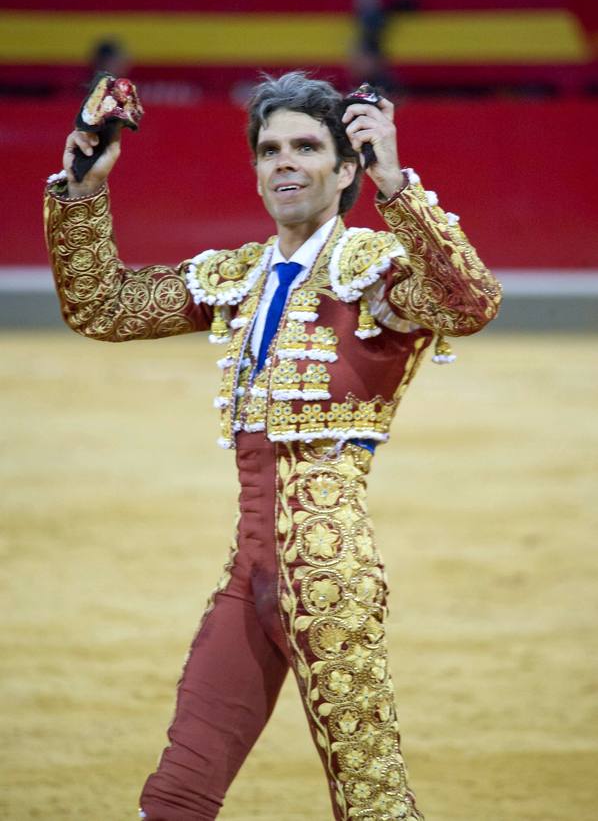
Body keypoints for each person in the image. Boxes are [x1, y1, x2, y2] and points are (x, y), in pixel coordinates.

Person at [44, 71, 502, 821]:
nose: (283, 161)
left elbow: (470, 300)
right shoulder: (240, 277)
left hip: (329, 578)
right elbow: (103, 307)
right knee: (178, 792)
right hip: (249, 575)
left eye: (306, 147)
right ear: (256, 172)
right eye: (269, 149)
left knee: (372, 800)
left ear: (345, 168)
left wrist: (397, 184)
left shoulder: (375, 274)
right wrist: (83, 188)